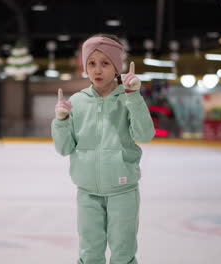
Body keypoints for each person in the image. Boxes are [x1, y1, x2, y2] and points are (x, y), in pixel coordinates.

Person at [51, 34, 155, 264]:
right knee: (89, 253)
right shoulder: (77, 102)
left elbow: (145, 135)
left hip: (123, 191)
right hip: (87, 192)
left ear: (117, 67)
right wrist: (60, 121)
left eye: (105, 63)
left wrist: (134, 97)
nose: (97, 70)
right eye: (91, 63)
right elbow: (64, 147)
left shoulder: (127, 99)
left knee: (123, 253)